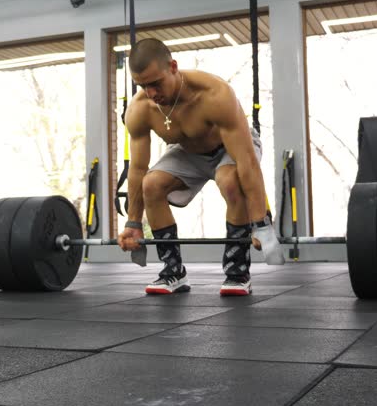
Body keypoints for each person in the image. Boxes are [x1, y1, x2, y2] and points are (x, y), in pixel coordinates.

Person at [116, 38, 284, 296]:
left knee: (229, 180)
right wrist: (134, 222)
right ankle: (173, 271)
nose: (151, 93)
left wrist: (260, 222)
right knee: (151, 184)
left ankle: (237, 271)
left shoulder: (215, 95)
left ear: (173, 67)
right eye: (143, 86)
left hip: (232, 148)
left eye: (155, 83)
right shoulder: (140, 109)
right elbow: (138, 170)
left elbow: (246, 161)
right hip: (187, 152)